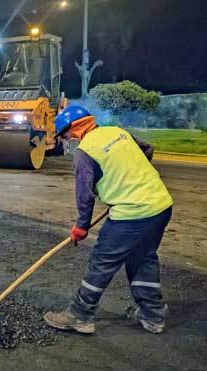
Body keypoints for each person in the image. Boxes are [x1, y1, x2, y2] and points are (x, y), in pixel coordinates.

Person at [43, 106, 174, 334]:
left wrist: (81, 227)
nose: (67, 139)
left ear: (74, 128)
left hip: (132, 214)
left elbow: (85, 196)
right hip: (160, 206)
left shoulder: (85, 151)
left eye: (65, 134)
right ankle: (153, 315)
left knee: (102, 261)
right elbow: (147, 149)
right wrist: (132, 176)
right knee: (142, 258)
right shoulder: (117, 132)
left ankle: (80, 314)